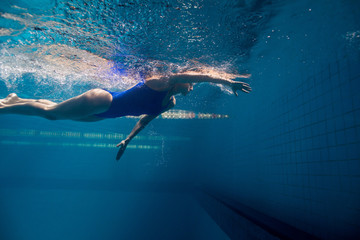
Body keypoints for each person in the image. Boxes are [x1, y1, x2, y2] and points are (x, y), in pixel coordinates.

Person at [0, 70, 251, 160]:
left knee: (57, 110)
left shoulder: (170, 102)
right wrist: (228, 82)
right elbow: (203, 76)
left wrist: (128, 140)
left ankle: (17, 100)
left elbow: (144, 119)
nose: (192, 87)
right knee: (52, 114)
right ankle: (5, 106)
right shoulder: (162, 81)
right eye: (190, 83)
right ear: (184, 79)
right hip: (102, 100)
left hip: (104, 114)